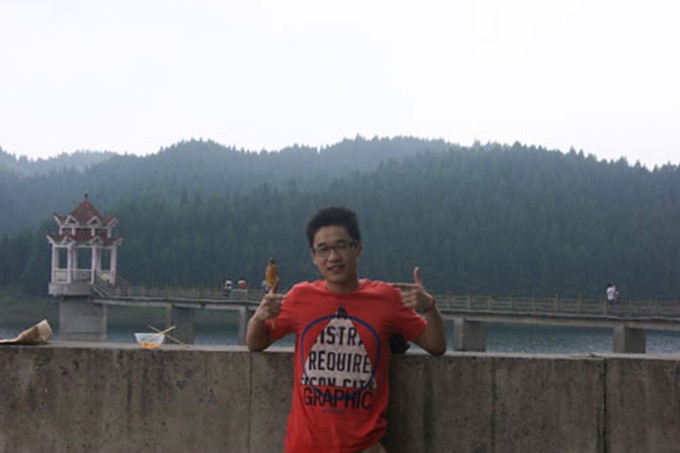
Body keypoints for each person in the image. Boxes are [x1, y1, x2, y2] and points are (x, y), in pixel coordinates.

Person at [246, 206, 446, 452]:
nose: (333, 257)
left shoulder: (386, 298)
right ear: (313, 256)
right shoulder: (300, 297)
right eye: (323, 249)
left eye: (341, 246)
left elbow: (436, 345)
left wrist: (429, 307)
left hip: (365, 446)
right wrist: (259, 316)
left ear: (358, 248)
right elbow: (256, 342)